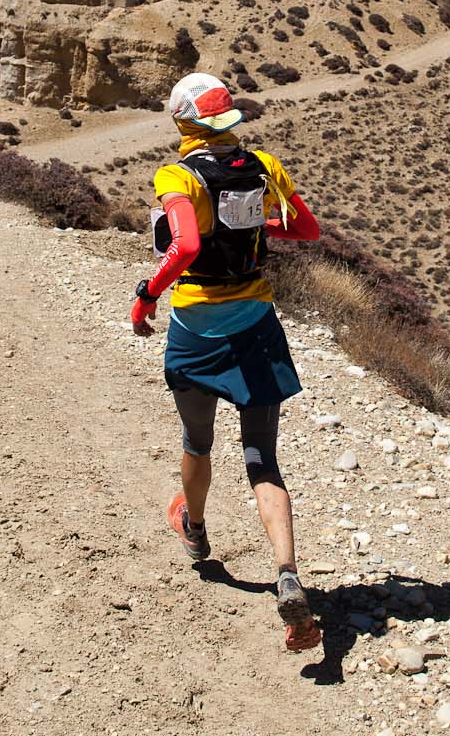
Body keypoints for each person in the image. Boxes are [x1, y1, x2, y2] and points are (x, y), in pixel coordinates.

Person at [131, 72, 326, 652]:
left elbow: (185, 245)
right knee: (263, 459)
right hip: (257, 325)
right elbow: (308, 230)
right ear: (227, 119)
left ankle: (194, 531)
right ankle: (287, 574)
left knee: (198, 442)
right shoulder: (264, 166)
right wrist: (253, 227)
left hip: (195, 327)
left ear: (183, 123)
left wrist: (147, 295)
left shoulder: (177, 175)